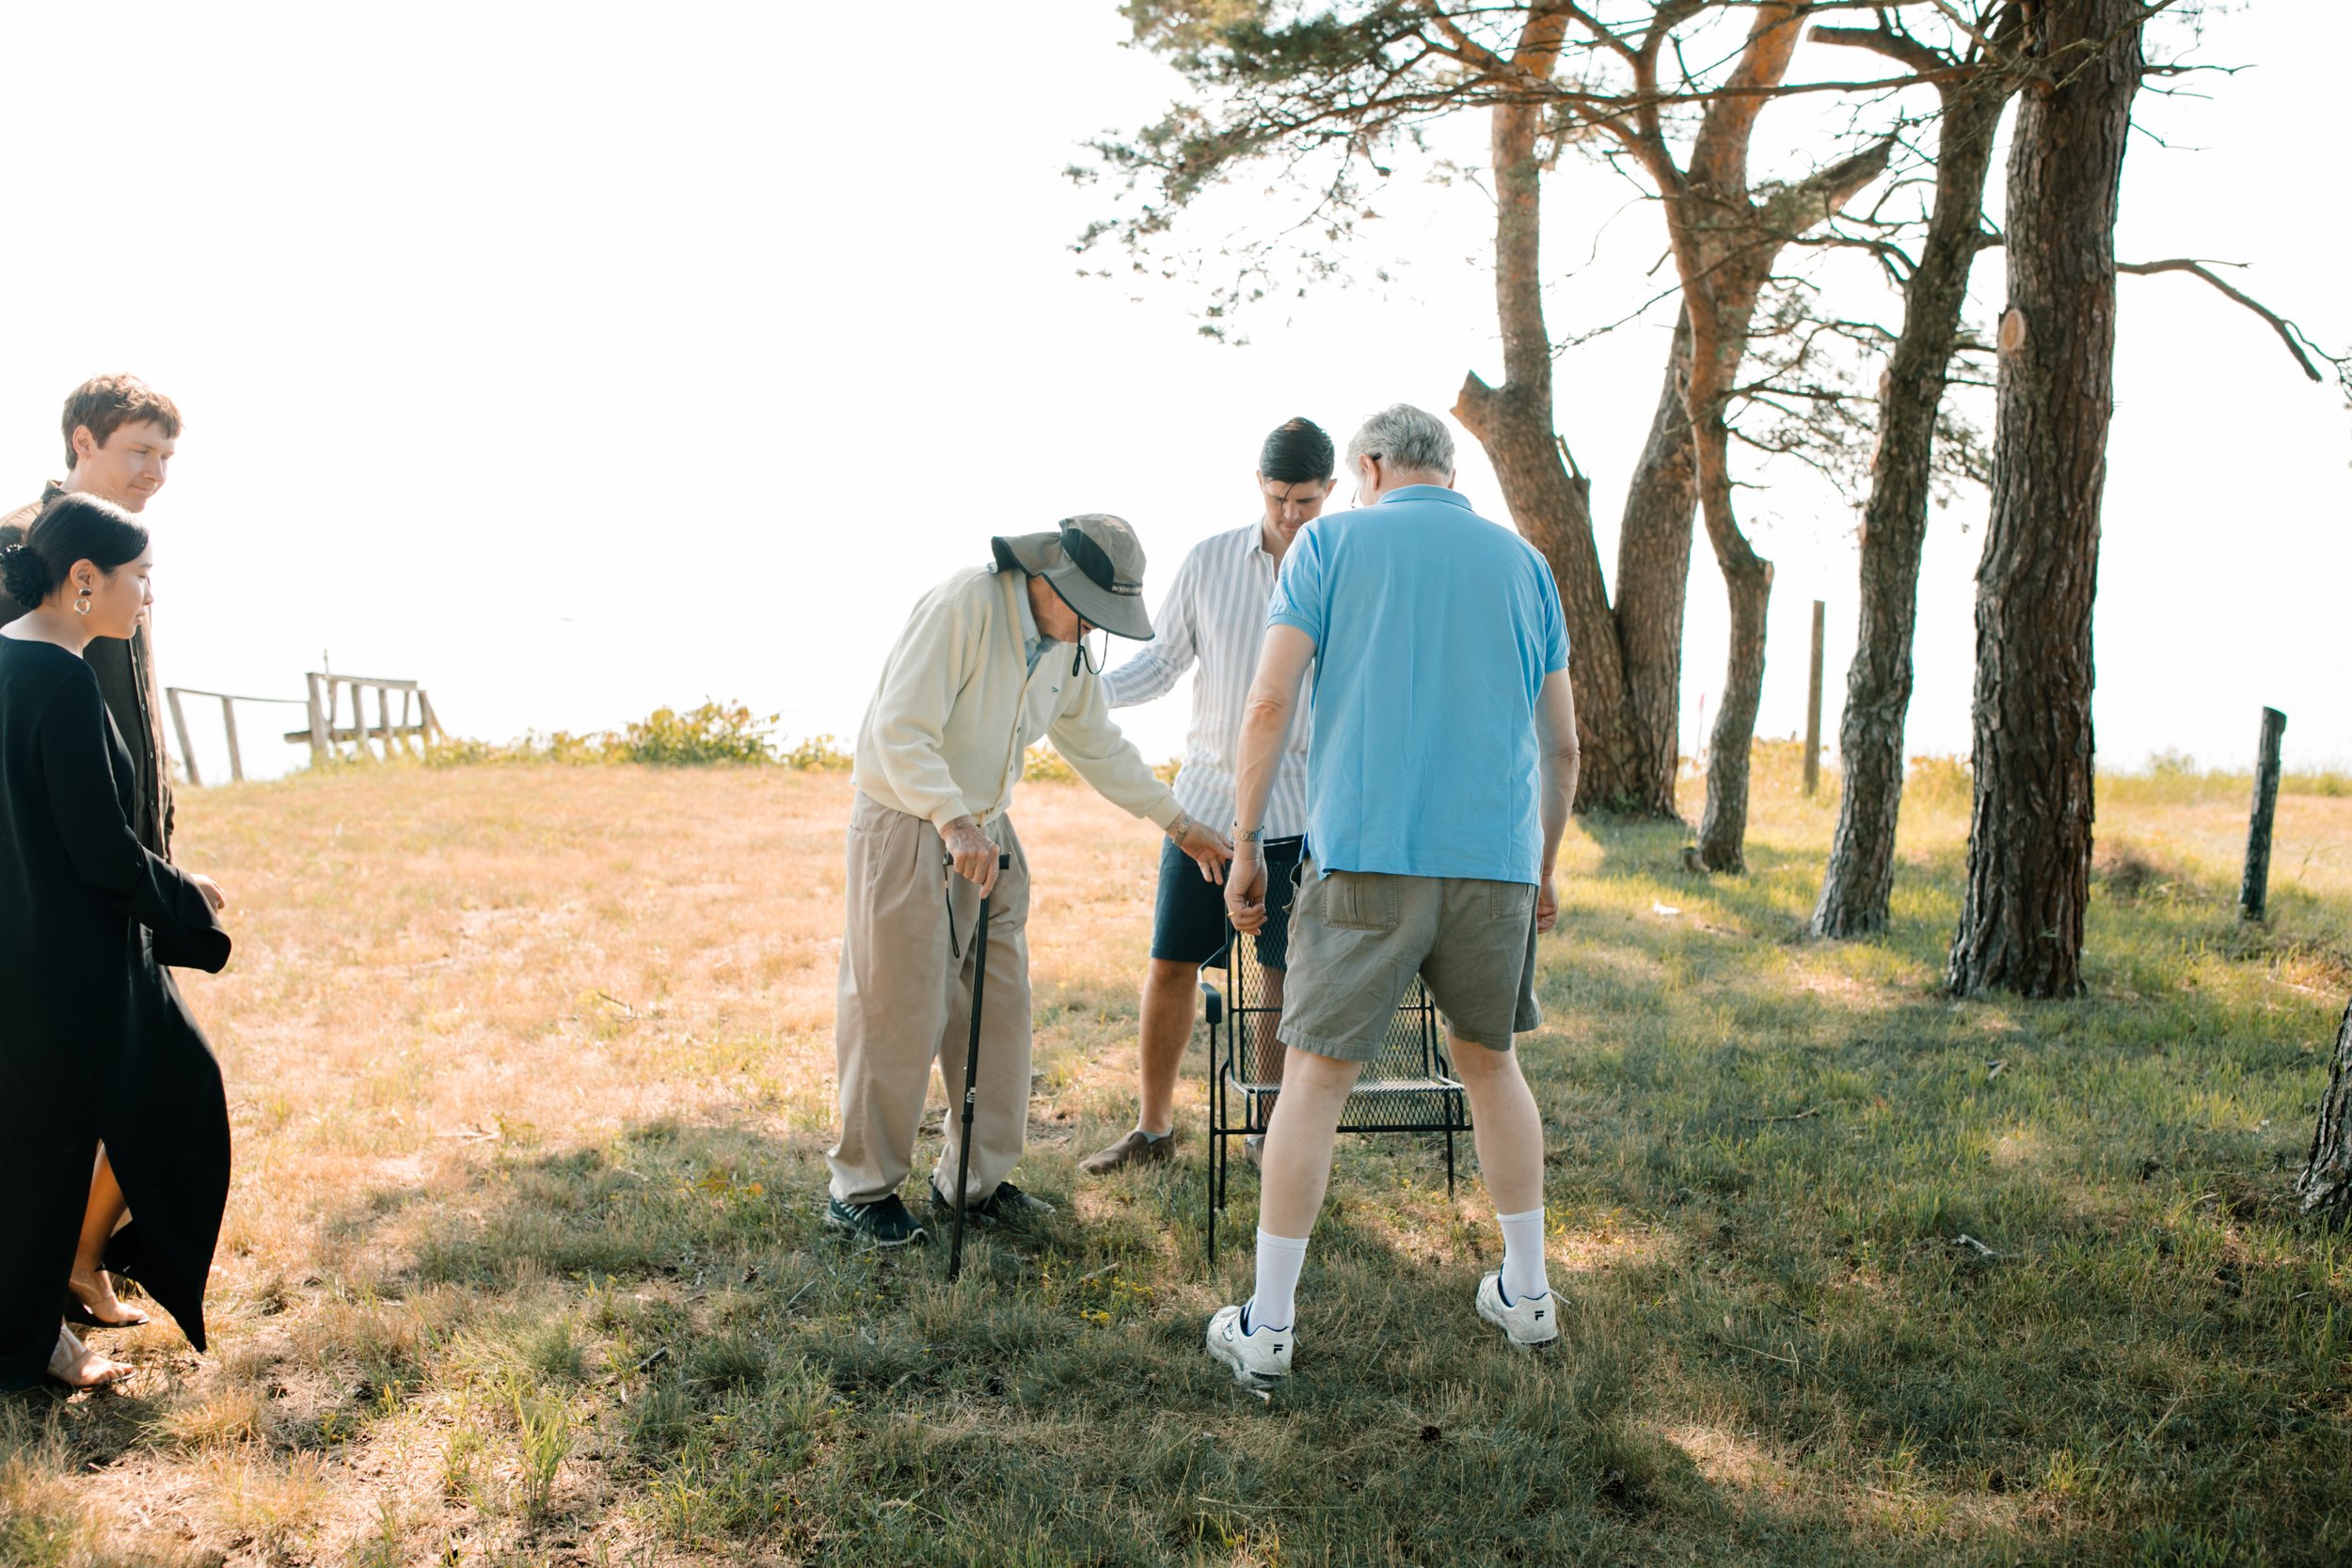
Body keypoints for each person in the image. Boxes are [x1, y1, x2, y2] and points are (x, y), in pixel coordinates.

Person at [1204, 404, 1581, 1386]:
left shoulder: (1328, 542)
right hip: (1493, 859)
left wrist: (1247, 843)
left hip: (1365, 855)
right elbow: (1563, 745)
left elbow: (1271, 701)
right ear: (1448, 471)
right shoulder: (1525, 564)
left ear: (1369, 465)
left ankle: (1270, 1324)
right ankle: (1529, 1294)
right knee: (1491, 1066)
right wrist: (1541, 862)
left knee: (1316, 1078)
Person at [824, 514, 1233, 1246]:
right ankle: (861, 1189)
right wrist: (952, 821)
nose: (1090, 632)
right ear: (1047, 580)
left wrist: (1179, 821)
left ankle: (974, 1183)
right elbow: (899, 728)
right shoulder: (963, 607)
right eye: (1088, 611)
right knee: (896, 1011)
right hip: (912, 821)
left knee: (1001, 1012)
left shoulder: (1066, 648)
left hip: (988, 831)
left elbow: (1098, 742)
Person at [0, 494, 231, 1391]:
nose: (147, 597)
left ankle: (72, 1288)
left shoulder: (17, 658)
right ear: (84, 579)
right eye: (140, 578)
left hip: (31, 951)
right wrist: (188, 901)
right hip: (69, 966)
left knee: (55, 1139)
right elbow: (98, 849)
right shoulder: (58, 679)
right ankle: (33, 1342)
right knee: (68, 1143)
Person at [1079, 419, 1335, 1176]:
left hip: (1298, 816)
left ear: (1330, 492)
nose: (1292, 514)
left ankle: (1268, 1135)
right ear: (1259, 482)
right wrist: (1077, 697)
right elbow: (1160, 666)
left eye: (1308, 501)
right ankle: (1154, 1130)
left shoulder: (1342, 569)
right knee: (1169, 964)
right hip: (1201, 810)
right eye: (1281, 497)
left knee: (1276, 982)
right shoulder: (1210, 561)